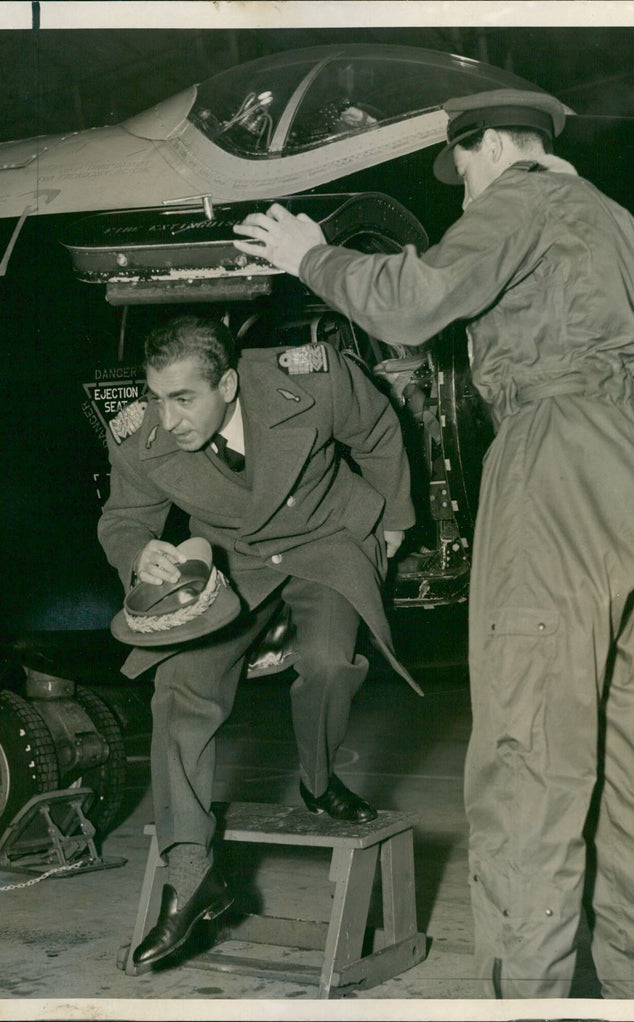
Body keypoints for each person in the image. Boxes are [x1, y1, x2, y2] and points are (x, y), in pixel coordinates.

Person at [233, 88, 634, 999]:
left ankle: (529, 1001)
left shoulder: (522, 198)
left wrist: (309, 256)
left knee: (529, 762)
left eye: (462, 171)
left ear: (487, 149)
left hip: (554, 463)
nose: (464, 192)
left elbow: (415, 301)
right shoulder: (622, 225)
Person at [98, 313, 420, 970]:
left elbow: (378, 431)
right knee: (179, 684)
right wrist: (139, 553)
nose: (167, 417)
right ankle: (190, 876)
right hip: (234, 557)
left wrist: (394, 517)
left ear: (227, 384)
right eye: (157, 398)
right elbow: (124, 517)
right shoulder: (141, 437)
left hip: (327, 536)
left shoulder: (314, 382)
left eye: (183, 399)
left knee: (328, 662)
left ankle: (318, 782)